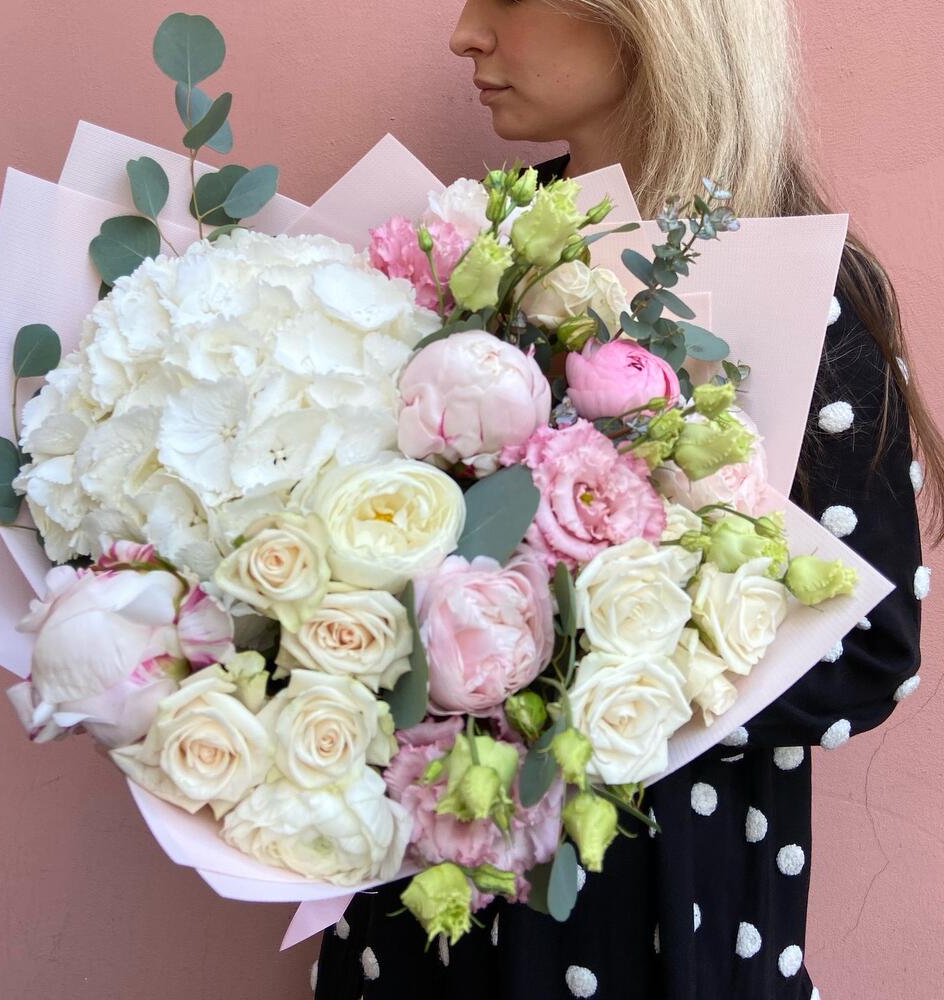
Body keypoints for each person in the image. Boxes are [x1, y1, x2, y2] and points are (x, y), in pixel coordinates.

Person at [314, 1, 942, 996]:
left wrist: (540, 662)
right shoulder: (474, 250)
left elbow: (868, 653)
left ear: (653, 21)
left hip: (651, 914)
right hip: (423, 898)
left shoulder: (804, 286)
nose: (466, 33)